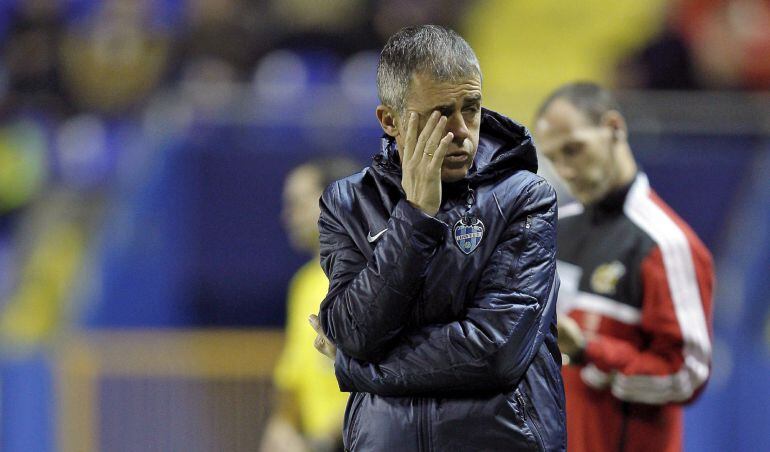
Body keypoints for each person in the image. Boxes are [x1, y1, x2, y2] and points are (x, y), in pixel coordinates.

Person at [307, 25, 566, 451]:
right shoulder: (348, 203)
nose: (462, 130)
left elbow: (494, 352)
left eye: (472, 108)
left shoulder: (525, 197)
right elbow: (355, 332)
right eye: (441, 114)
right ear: (390, 120)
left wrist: (357, 369)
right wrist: (415, 217)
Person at [533, 82, 714, 452]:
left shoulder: (665, 243)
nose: (565, 169)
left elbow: (686, 375)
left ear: (614, 127)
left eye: (573, 149)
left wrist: (588, 350)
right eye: (553, 158)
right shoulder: (549, 229)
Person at [261, 157, 361, 452]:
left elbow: (379, 384)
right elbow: (291, 379)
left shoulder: (371, 279)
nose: (287, 215)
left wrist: (319, 445)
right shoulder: (303, 285)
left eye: (297, 203)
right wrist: (280, 427)